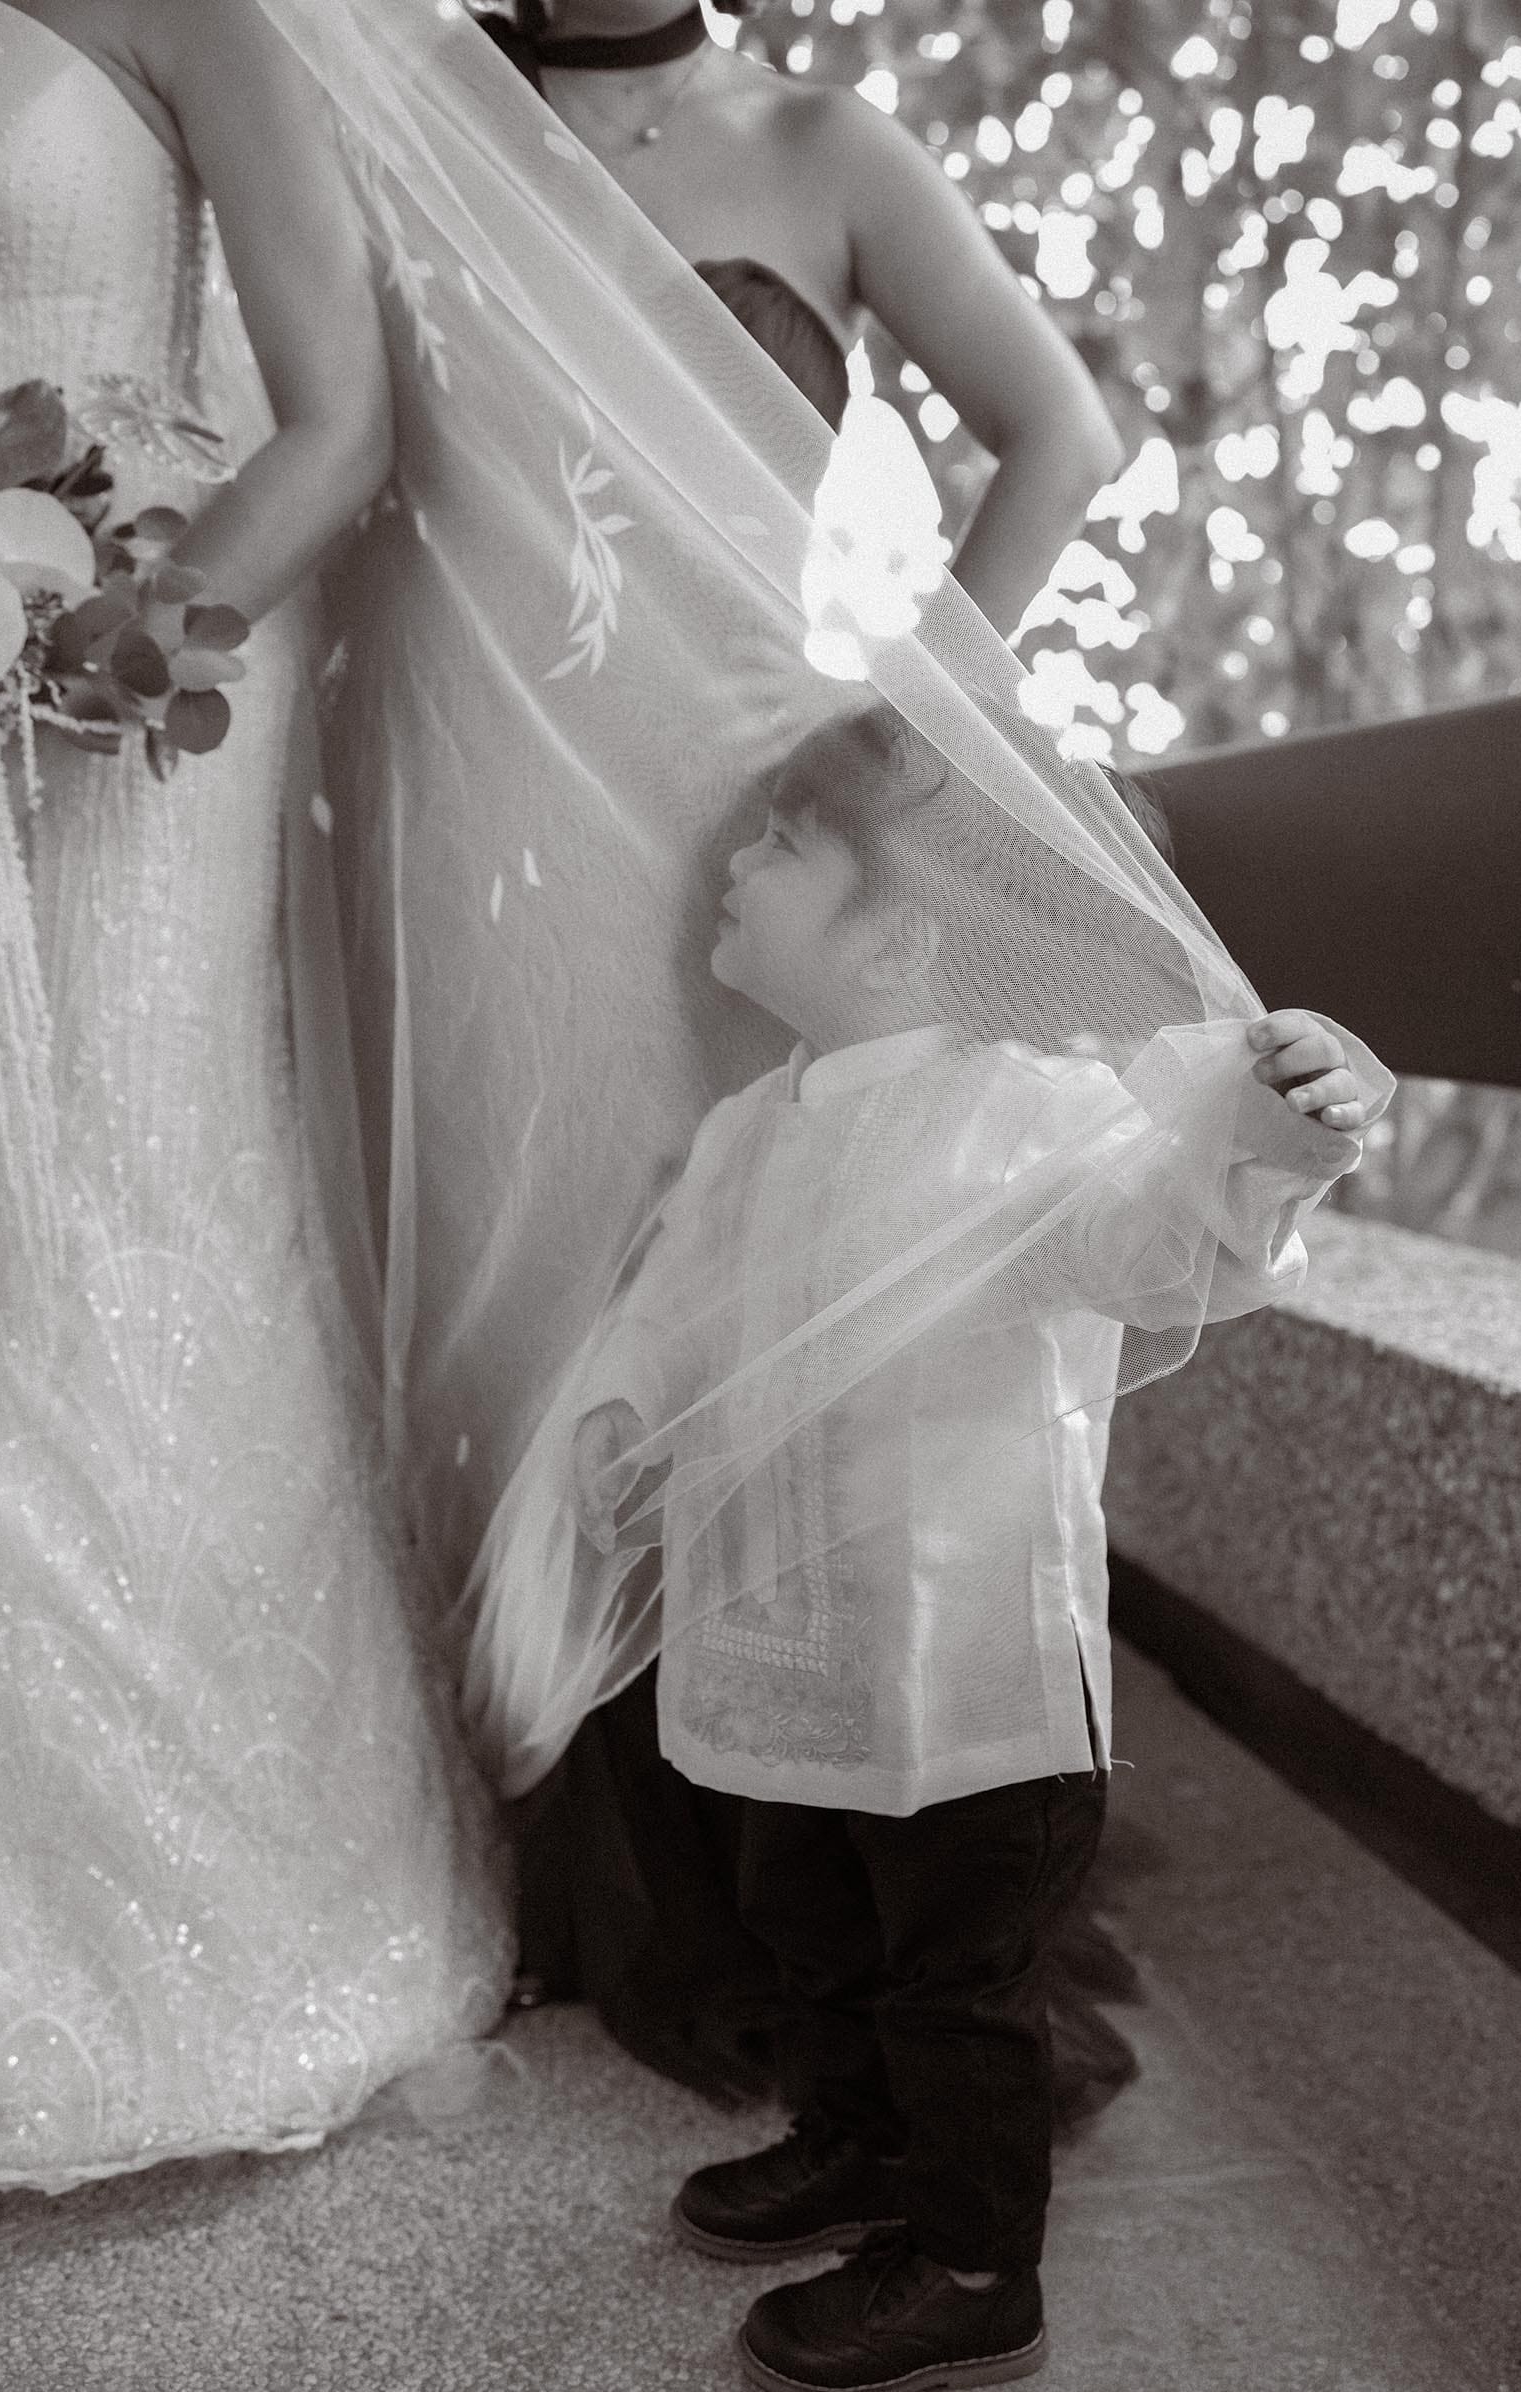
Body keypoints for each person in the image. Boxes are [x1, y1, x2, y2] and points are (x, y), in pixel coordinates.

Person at [491, 701, 1391, 2392]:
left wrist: (1280, 1132)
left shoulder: (1027, 1118)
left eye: (784, 844)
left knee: (956, 1977)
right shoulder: (757, 1128)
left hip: (969, 1672)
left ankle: (977, 2263)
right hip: (790, 1638)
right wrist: (619, 1414)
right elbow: (677, 1314)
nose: (738, 864)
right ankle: (855, 2145)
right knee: (808, 1925)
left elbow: (1158, 1231)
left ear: (901, 938)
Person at [477, 0, 1138, 2103]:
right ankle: (550, 1874)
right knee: (530, 1307)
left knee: (748, 1312)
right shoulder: (429, 107)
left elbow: (1060, 434)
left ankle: (807, 1911)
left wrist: (914, 723)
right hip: (487, 811)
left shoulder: (816, 145)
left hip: (737, 817)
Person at [0, 0, 511, 2187]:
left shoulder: (187, 8)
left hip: (152, 655)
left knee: (127, 1182)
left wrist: (95, 645)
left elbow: (341, 421)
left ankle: (227, 1922)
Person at [478, 0, 1125, 630]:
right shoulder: (443, 87)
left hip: (729, 695)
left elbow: (1067, 439)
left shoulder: (828, 148)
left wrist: (913, 698)